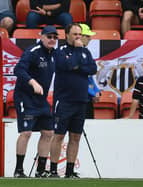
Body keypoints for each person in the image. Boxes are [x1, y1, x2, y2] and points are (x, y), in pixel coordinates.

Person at [50, 23, 97, 178]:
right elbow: (68, 65)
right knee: (59, 135)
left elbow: (92, 68)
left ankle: (70, 171)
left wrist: (78, 66)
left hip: (81, 100)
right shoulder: (60, 52)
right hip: (64, 100)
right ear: (67, 35)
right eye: (75, 34)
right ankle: (53, 170)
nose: (78, 37)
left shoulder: (85, 51)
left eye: (79, 34)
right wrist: (77, 55)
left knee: (75, 136)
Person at [13, 25, 58, 178]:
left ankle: (40, 170)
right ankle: (19, 170)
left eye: (55, 37)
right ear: (42, 37)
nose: (52, 40)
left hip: (41, 100)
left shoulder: (54, 54)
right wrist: (32, 82)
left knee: (48, 132)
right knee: (26, 132)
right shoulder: (33, 52)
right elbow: (18, 69)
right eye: (49, 37)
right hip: (25, 98)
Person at [79, 23, 101, 119]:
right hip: (78, 99)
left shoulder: (86, 52)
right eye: (87, 36)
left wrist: (96, 90)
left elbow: (90, 74)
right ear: (80, 36)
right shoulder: (73, 54)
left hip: (87, 98)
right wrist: (93, 92)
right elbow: (80, 76)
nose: (90, 39)